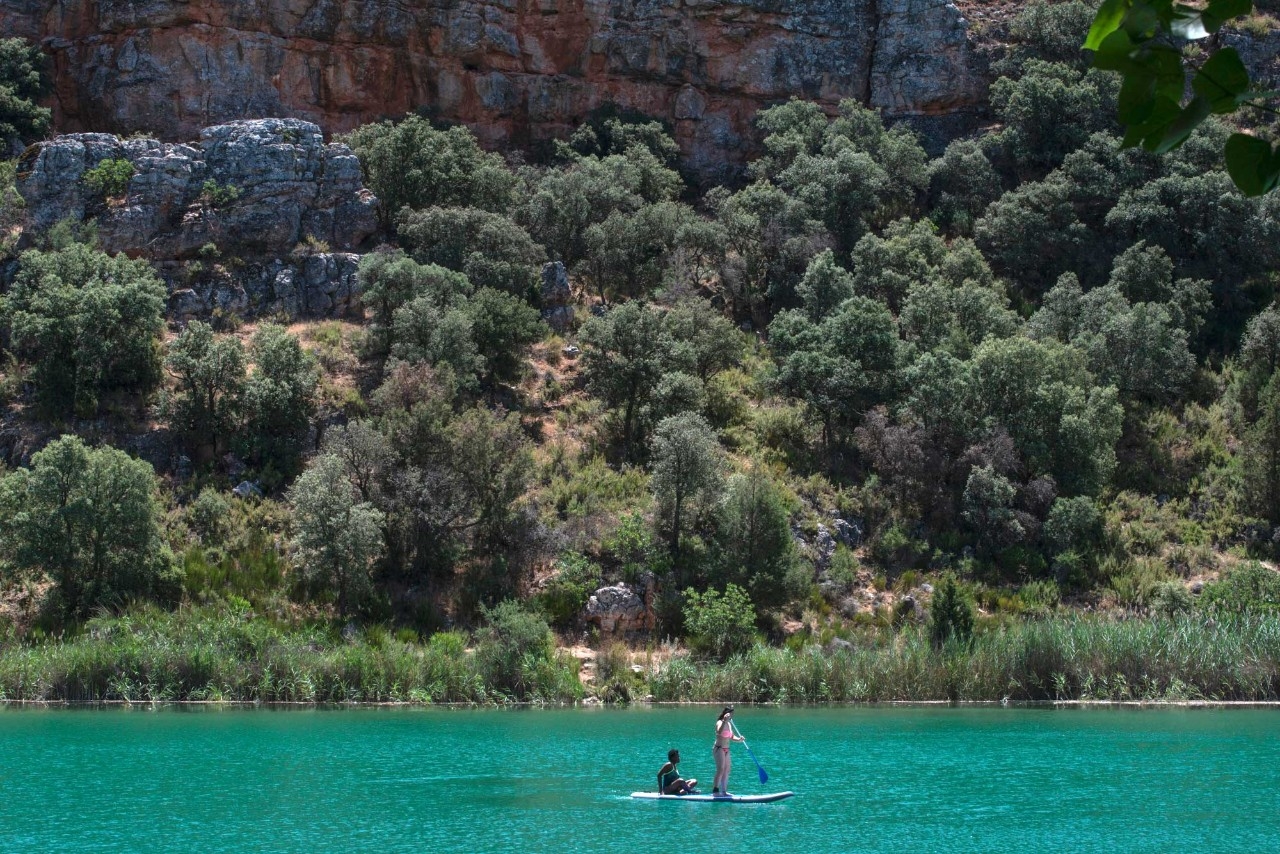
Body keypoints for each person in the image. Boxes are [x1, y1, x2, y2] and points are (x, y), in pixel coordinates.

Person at [711, 706, 744, 796]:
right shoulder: (719, 722)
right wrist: (724, 721)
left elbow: (732, 737)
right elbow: (718, 732)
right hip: (719, 748)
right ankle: (715, 790)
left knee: (727, 770)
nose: (732, 716)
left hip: (726, 749)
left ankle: (724, 791)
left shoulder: (729, 724)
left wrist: (739, 739)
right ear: (726, 714)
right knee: (720, 769)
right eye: (731, 714)